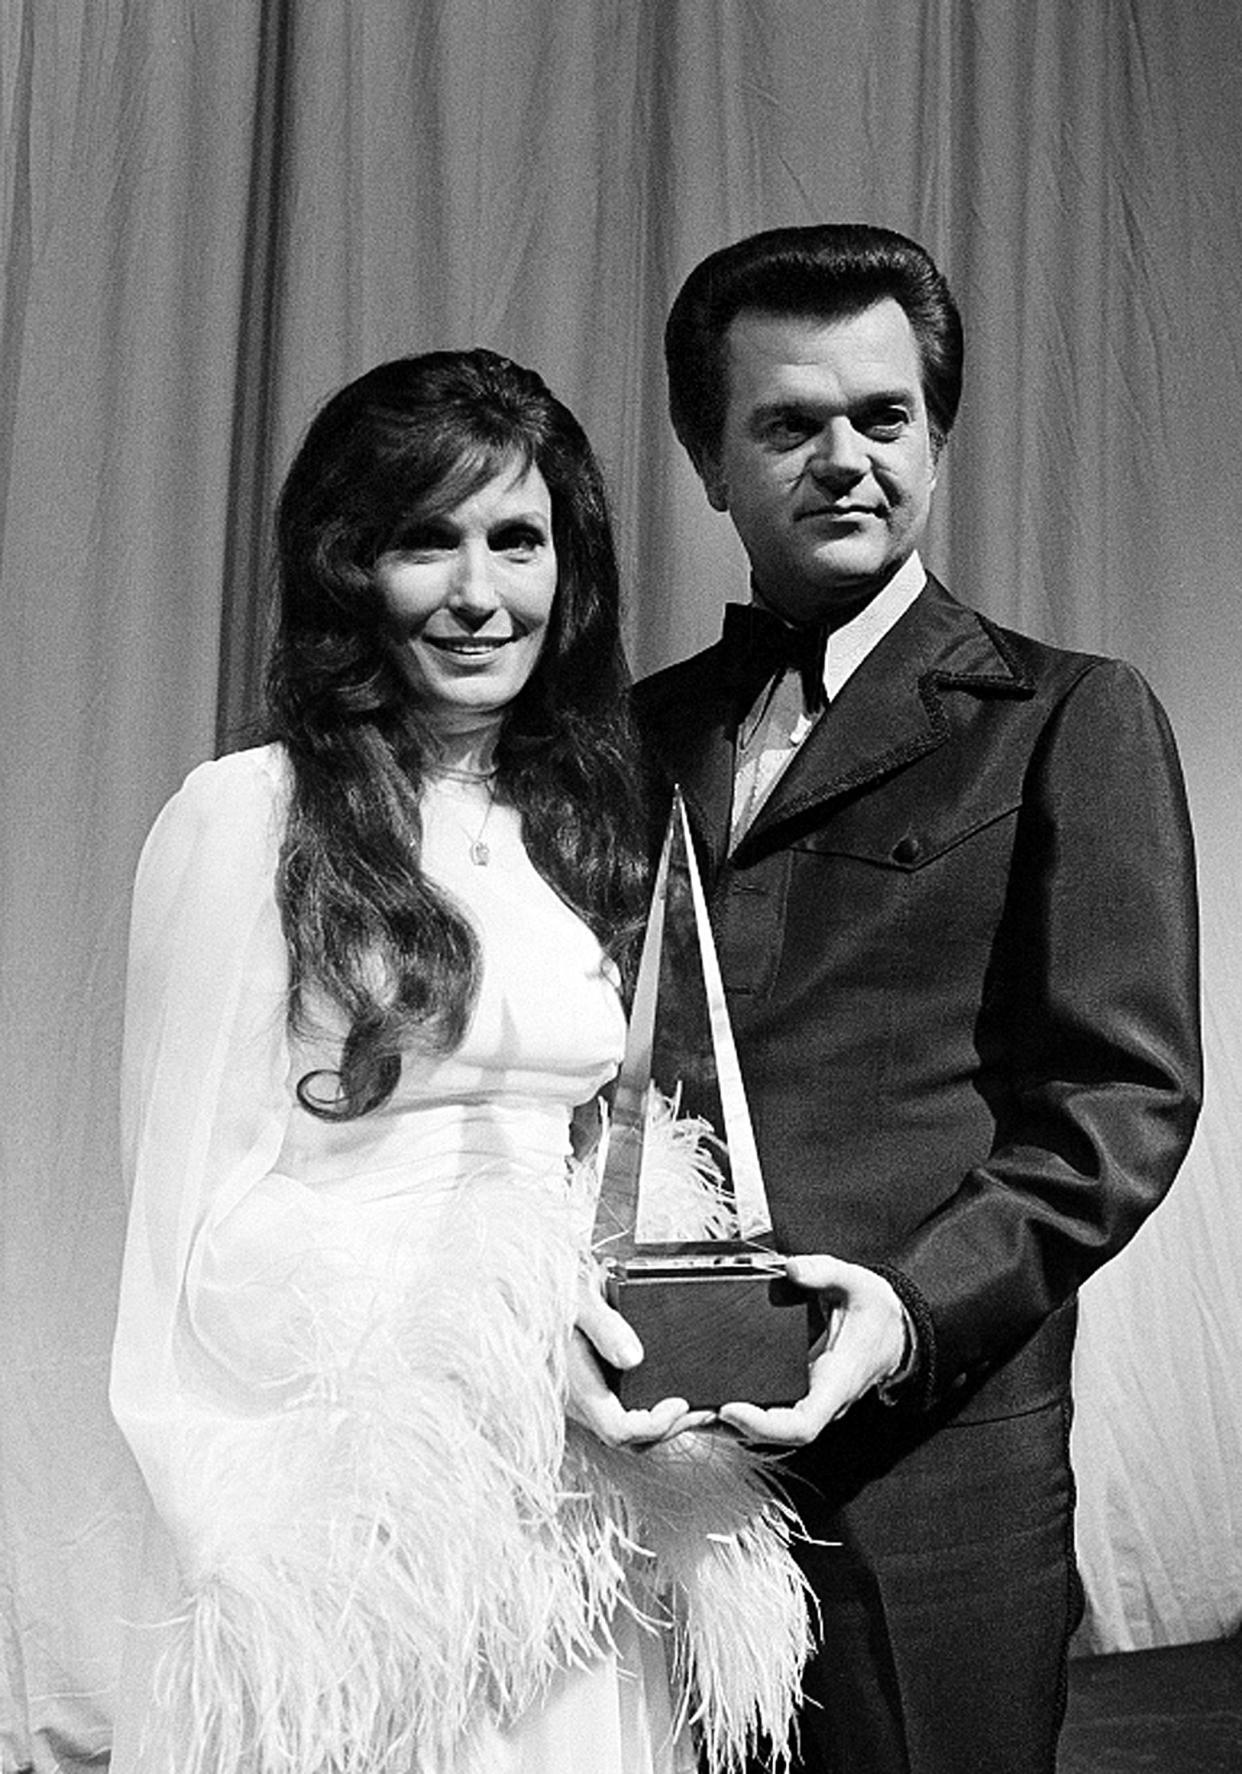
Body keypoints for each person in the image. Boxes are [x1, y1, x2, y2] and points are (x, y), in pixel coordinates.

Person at [109, 349, 810, 1774]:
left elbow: (614, 1148)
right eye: (429, 538)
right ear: (350, 563)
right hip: (362, 1510)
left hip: (576, 1500)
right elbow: (188, 1238)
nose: (480, 591)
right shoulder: (246, 816)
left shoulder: (590, 817)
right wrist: (489, 1351)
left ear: (573, 568)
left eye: (518, 540)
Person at [635, 224, 1202, 1773]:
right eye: (788, 424)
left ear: (934, 440)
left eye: (882, 418)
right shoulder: (626, 734)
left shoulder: (1070, 716)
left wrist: (894, 1316)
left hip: (929, 1474)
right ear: (706, 457)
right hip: (644, 1463)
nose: (844, 459)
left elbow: (1119, 1104)